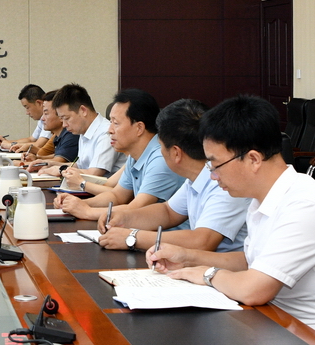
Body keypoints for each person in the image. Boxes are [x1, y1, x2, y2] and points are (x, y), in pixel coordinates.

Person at [147, 95, 315, 343]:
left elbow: (253, 289)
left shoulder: (305, 204)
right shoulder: (262, 198)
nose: (213, 176)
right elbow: (251, 262)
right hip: (276, 324)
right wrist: (186, 258)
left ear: (253, 159)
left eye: (215, 165)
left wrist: (206, 274)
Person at [98, 99, 249, 252]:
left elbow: (202, 241)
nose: (159, 151)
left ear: (176, 153)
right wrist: (124, 218)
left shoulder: (224, 182)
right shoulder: (196, 177)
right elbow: (168, 212)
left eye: (161, 146)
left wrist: (133, 237)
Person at [55, 89, 184, 220]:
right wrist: (77, 203)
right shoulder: (135, 156)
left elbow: (136, 209)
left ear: (139, 128)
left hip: (169, 232)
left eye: (115, 123)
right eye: (110, 122)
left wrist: (87, 211)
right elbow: (117, 196)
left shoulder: (160, 158)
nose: (110, 130)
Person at [39, 83, 124, 178]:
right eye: (62, 119)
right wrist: (50, 164)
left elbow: (94, 173)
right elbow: (81, 166)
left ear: (83, 110)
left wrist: (61, 169)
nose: (64, 125)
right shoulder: (84, 131)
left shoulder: (106, 133)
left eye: (66, 118)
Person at [23, 90, 79, 169]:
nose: (42, 118)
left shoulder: (71, 134)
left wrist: (21, 164)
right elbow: (54, 156)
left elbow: (58, 161)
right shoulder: (57, 135)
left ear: (60, 114)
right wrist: (37, 159)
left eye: (46, 113)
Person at [0, 84, 47, 153]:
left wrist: (11, 145)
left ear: (39, 103)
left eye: (27, 107)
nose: (27, 113)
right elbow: (31, 139)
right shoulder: (42, 119)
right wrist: (6, 142)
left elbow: (38, 145)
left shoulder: (50, 118)